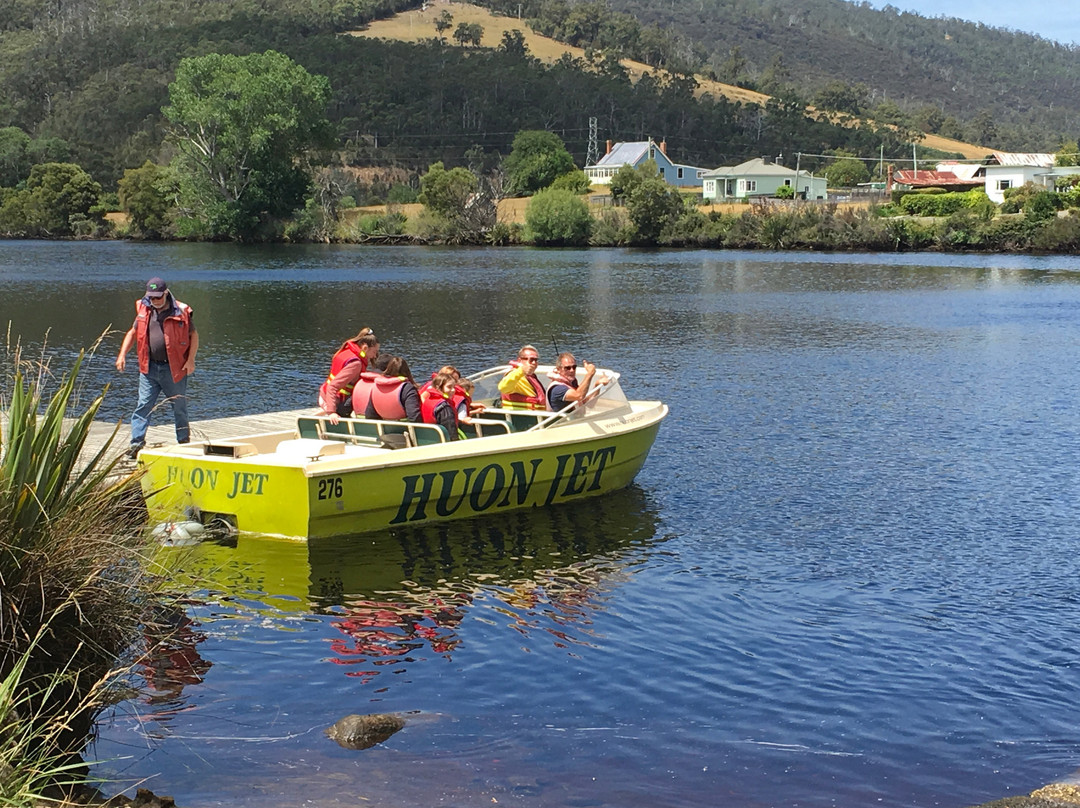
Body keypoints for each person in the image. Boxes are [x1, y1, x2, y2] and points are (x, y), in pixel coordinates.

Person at [115, 277, 198, 458]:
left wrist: (190, 360)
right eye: (152, 297)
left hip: (174, 369)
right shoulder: (144, 309)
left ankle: (184, 442)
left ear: (166, 293)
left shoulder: (181, 311)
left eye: (158, 297)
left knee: (179, 407)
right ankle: (136, 445)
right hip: (149, 369)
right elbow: (133, 332)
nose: (155, 301)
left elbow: (194, 335)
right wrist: (122, 355)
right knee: (143, 406)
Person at [319, 328, 378, 419]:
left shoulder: (347, 351)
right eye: (374, 352)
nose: (375, 356)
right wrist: (332, 412)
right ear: (365, 348)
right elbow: (333, 386)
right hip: (334, 400)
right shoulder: (355, 364)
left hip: (325, 394)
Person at [351, 354, 422, 421]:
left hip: (383, 430)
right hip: (404, 430)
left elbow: (370, 415)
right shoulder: (407, 388)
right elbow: (414, 417)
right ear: (407, 372)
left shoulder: (376, 386)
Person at [497, 345, 546, 410]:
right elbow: (503, 388)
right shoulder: (514, 374)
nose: (534, 362)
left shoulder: (531, 377)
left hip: (539, 415)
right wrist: (521, 370)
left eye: (535, 360)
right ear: (520, 360)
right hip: (521, 417)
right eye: (531, 359)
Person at [420, 371, 461, 440]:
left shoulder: (429, 400)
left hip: (430, 438)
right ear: (438, 387)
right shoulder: (444, 407)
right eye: (449, 387)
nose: (453, 390)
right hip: (442, 441)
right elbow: (451, 432)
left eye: (454, 387)